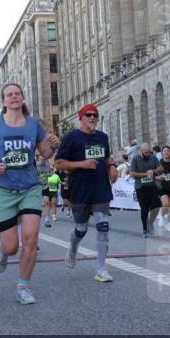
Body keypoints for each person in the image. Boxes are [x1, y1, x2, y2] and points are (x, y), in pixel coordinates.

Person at [0, 83, 60, 305]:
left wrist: (53, 146)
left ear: (22, 98)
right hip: (2, 190)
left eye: (17, 94)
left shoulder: (33, 124)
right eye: (9, 95)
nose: (14, 97)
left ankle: (23, 286)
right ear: (3, 101)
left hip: (30, 187)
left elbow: (45, 153)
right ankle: (3, 251)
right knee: (12, 246)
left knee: (30, 240)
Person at [54, 104, 118, 283]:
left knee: (103, 226)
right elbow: (59, 163)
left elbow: (107, 157)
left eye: (95, 115)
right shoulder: (71, 137)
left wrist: (112, 166)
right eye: (88, 115)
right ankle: (73, 247)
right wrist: (81, 164)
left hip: (100, 188)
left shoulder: (102, 137)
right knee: (81, 229)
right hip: (80, 189)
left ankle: (101, 269)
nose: (92, 118)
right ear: (80, 118)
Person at [130, 142, 163, 237]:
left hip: (152, 186)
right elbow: (132, 173)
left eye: (149, 152)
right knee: (144, 209)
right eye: (146, 152)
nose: (148, 154)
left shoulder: (153, 157)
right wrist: (145, 174)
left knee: (156, 207)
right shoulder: (135, 159)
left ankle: (151, 222)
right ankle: (145, 230)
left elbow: (161, 168)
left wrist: (153, 171)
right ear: (141, 151)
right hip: (141, 188)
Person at [37, 156, 54, 227]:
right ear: (38, 159)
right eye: (40, 159)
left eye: (43, 159)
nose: (41, 161)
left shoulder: (48, 166)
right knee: (37, 204)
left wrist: (51, 173)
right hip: (37, 186)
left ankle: (46, 220)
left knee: (46, 201)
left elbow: (52, 174)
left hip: (46, 186)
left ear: (46, 160)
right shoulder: (35, 166)